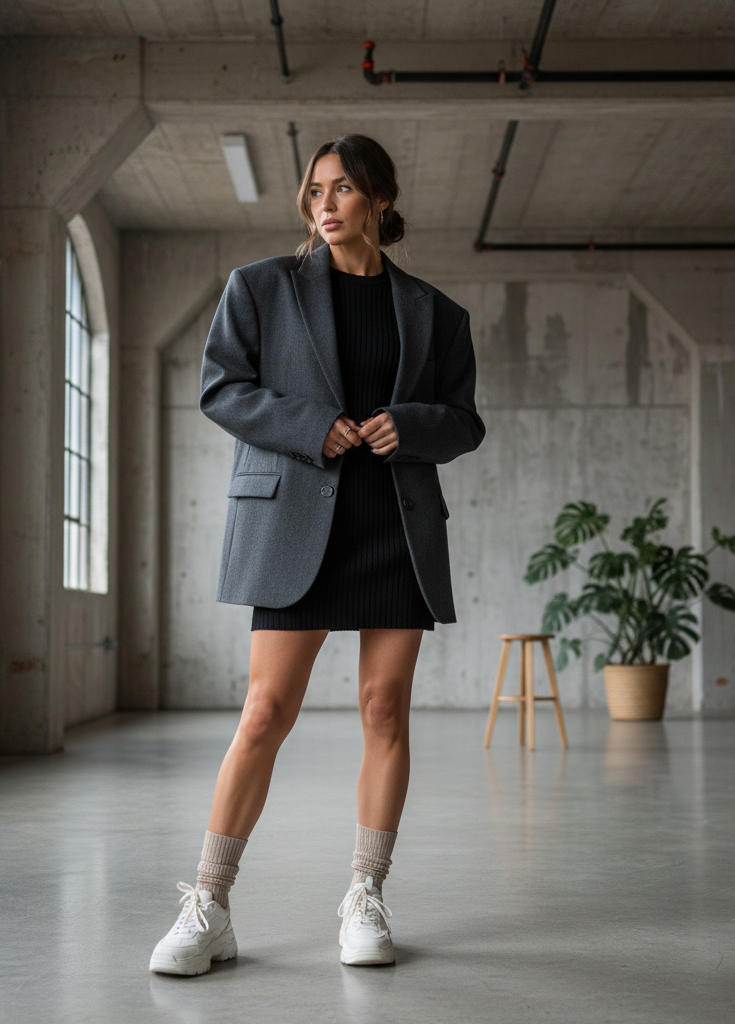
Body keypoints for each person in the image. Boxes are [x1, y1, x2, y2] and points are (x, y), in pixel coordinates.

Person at [149, 134, 485, 975]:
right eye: (315, 191)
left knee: (383, 712)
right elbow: (221, 388)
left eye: (342, 189)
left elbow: (465, 420)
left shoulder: (437, 313)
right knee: (266, 713)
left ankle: (366, 896)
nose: (324, 204)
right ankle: (209, 904)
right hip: (298, 522)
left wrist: (410, 424)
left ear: (378, 199)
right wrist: (312, 428)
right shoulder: (260, 288)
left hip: (393, 525)